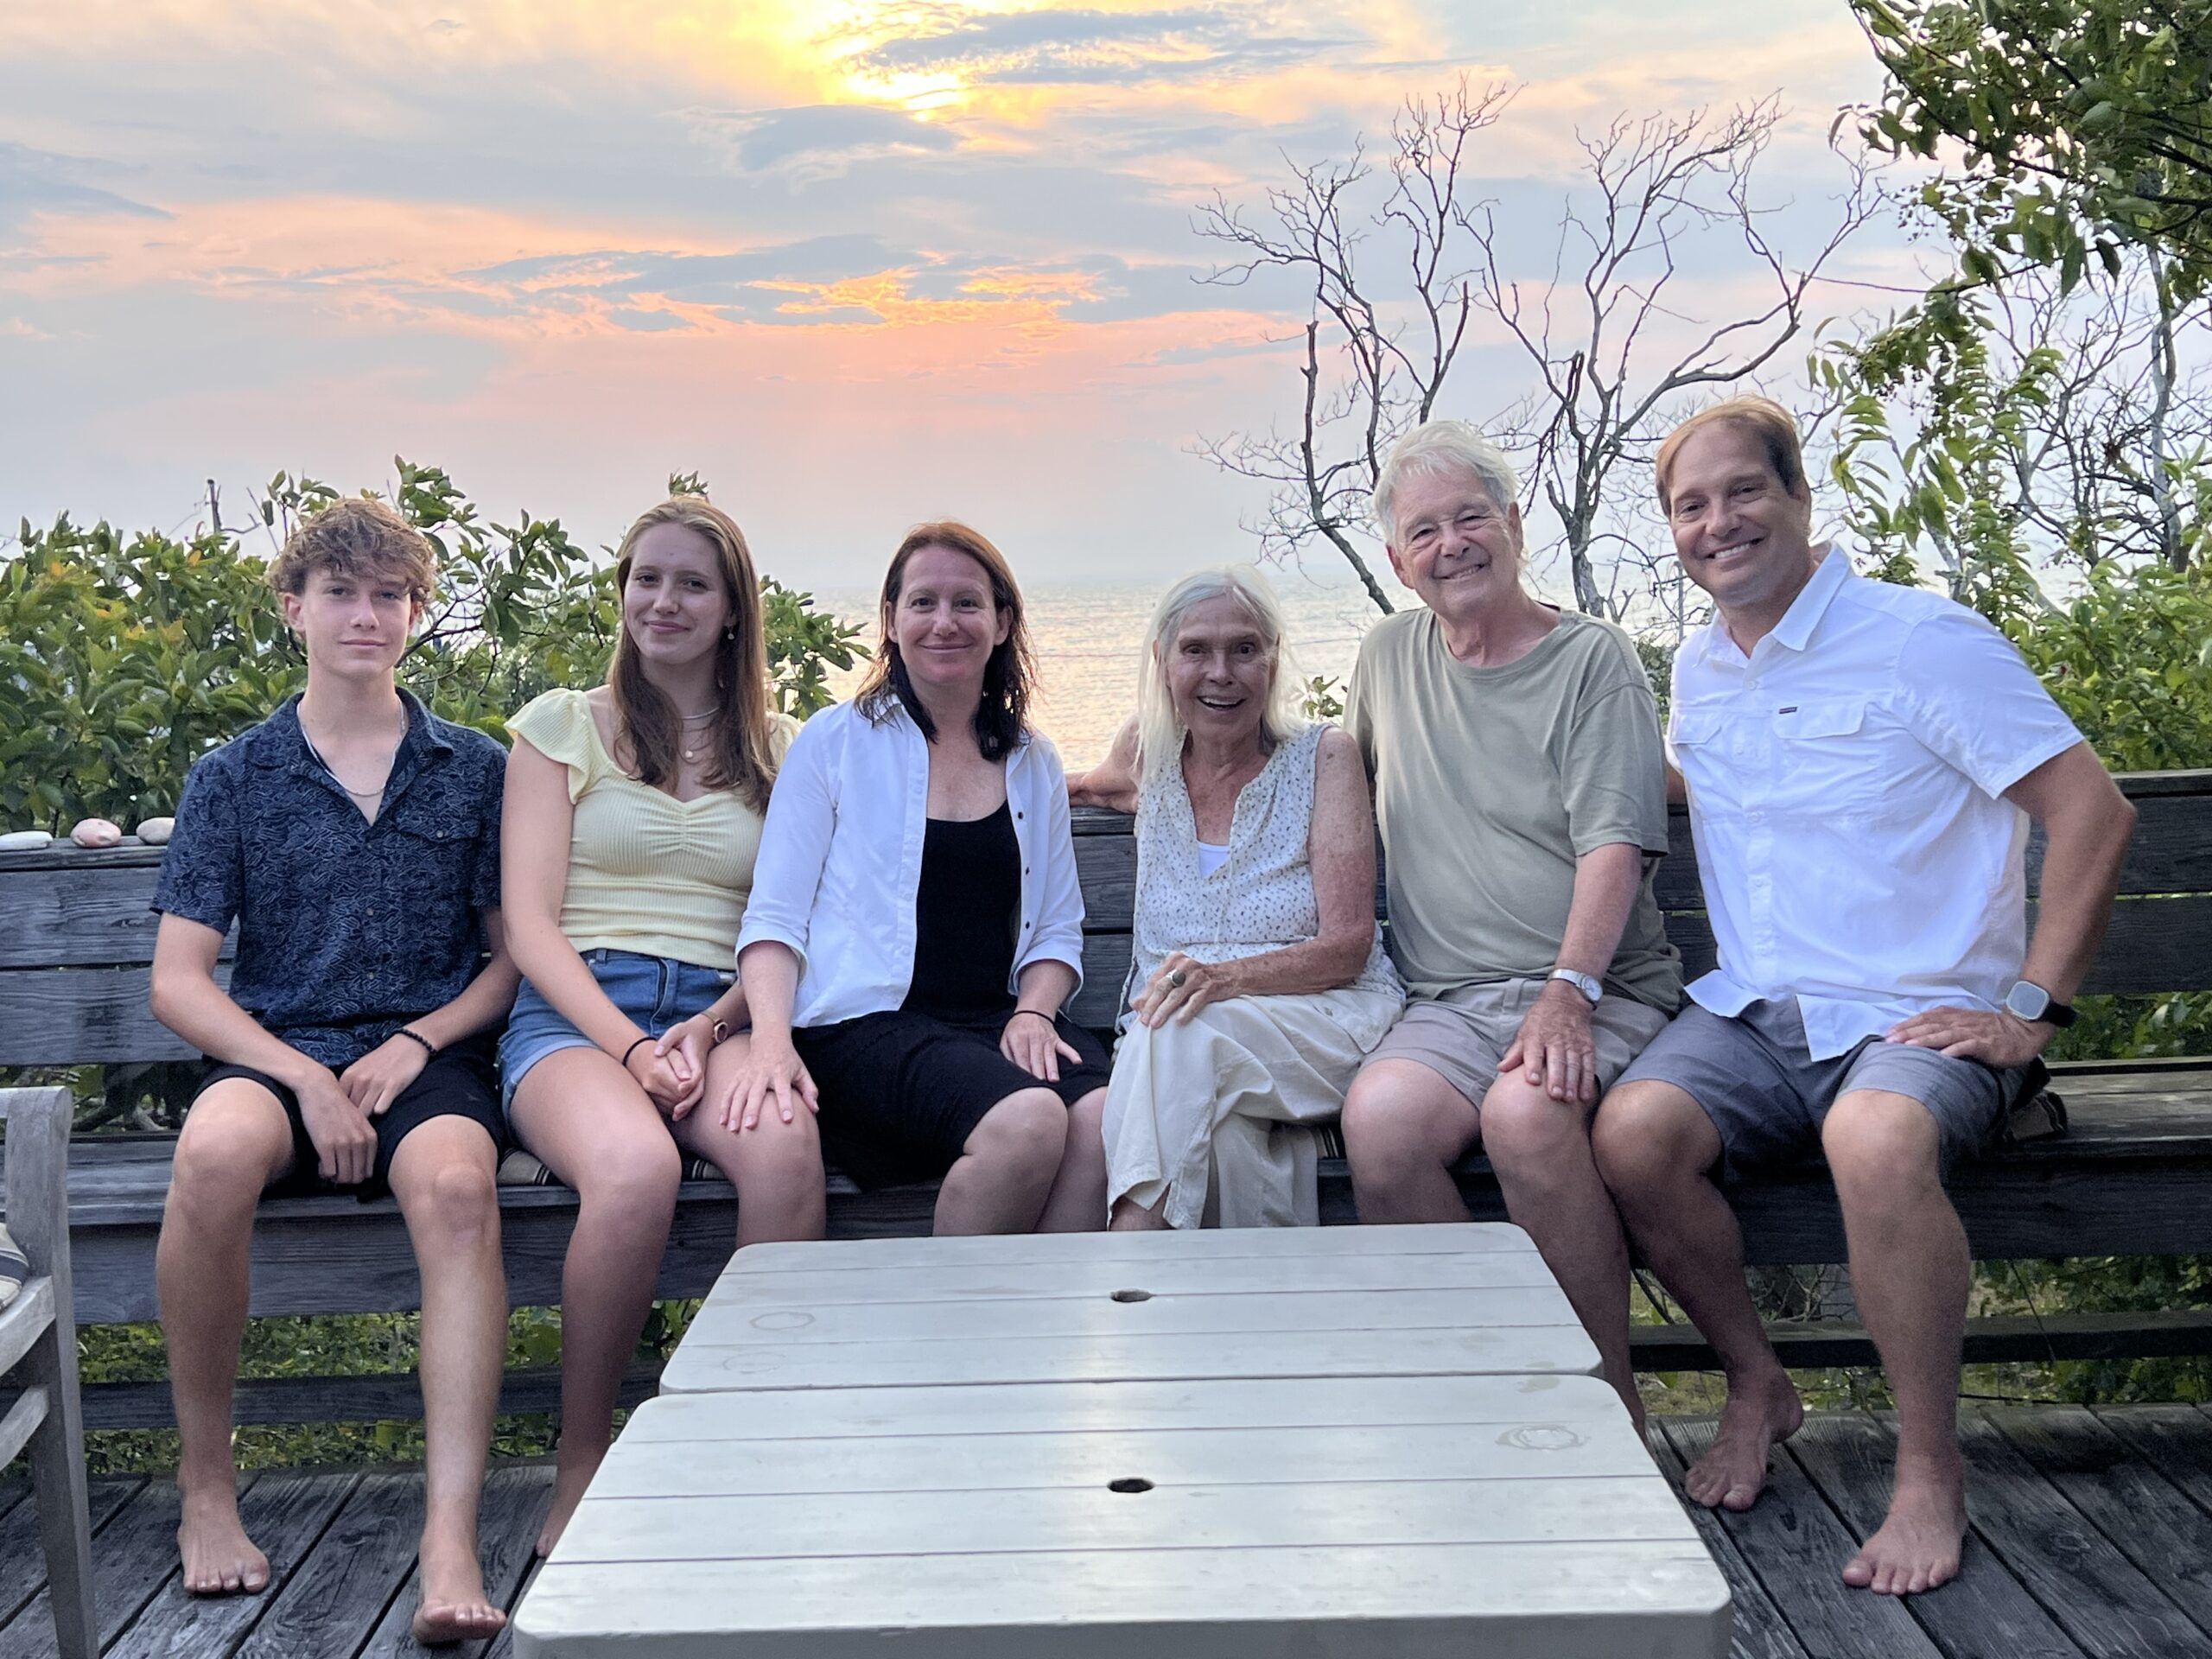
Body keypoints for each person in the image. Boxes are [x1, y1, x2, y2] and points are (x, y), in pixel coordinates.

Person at [1592, 396, 2136, 1596]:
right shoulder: (1700, 662)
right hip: (1762, 1010)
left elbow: (2094, 809)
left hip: (1920, 1013)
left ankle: (1929, 1471)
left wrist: (2034, 1009)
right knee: (1630, 1133)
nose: (1718, 523)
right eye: (1690, 506)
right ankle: (1757, 1381)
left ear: (1797, 498)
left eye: (1743, 492)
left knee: (1875, 1135)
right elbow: (1712, 795)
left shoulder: (1921, 641)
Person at [149, 499, 516, 1645]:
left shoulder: (475, 768)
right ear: (295, 605)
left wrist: (414, 1044)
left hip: (427, 1062)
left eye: (390, 595)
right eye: (342, 592)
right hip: (276, 1057)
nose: (367, 614)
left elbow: (511, 962)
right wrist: (301, 1079)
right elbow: (180, 978)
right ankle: (206, 1490)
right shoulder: (236, 775)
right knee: (211, 1156)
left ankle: (446, 1534)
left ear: (416, 612)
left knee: (460, 1190)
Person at [1338, 418, 1683, 1423]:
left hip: (1596, 984)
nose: (1452, 545)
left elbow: (1613, 845)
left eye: (1470, 517)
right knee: (1381, 1125)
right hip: (1447, 999)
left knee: (1526, 1118)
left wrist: (1567, 994)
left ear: (1514, 524)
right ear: (1399, 562)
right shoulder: (1389, 656)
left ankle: (1603, 1407)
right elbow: (1330, 784)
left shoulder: (1593, 661)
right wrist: (1153, 771)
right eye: (1425, 532)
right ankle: (1484, 1392)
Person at [499, 495, 818, 1554]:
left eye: (691, 583)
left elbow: (796, 919)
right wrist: (630, 1044)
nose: (663, 601)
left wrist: (717, 1024)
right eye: (645, 578)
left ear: (734, 609)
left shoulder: (785, 751)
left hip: (723, 1022)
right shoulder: (562, 727)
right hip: (579, 1017)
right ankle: (583, 1458)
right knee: (632, 1169)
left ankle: (750, 1445)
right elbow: (532, 928)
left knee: (783, 1153)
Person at [728, 521, 1109, 1233]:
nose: (944, 622)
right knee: (1025, 1120)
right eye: (923, 602)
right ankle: (948, 1340)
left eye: (966, 603)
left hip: (995, 1021)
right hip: (864, 1027)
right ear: (892, 622)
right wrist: (771, 1042)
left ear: (1002, 623)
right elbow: (774, 918)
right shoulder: (833, 743)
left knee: (1104, 1120)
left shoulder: (1032, 759)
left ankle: (1036, 1334)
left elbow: (1057, 928)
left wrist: (1033, 1009)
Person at [1068, 568, 1402, 1228]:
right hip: (1180, 1035)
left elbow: (1347, 948)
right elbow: (1080, 788)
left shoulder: (1323, 758)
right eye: (1196, 650)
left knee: (1174, 1034)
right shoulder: (1149, 755)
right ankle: (1237, 1318)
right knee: (1218, 1136)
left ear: (1273, 661)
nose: (1221, 671)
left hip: (1323, 1022)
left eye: (1244, 649)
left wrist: (1225, 979)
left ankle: (1130, 1254)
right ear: (1164, 664)